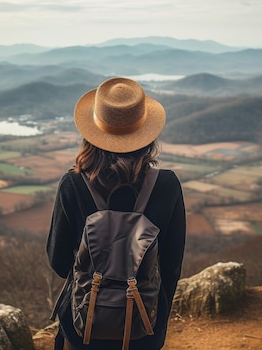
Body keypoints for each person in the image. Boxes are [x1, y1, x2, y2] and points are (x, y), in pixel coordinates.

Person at [46, 77, 186, 350]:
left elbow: (59, 263)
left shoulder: (72, 185)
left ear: (91, 132)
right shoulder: (167, 186)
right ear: (146, 134)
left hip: (82, 327)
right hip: (145, 327)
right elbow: (171, 267)